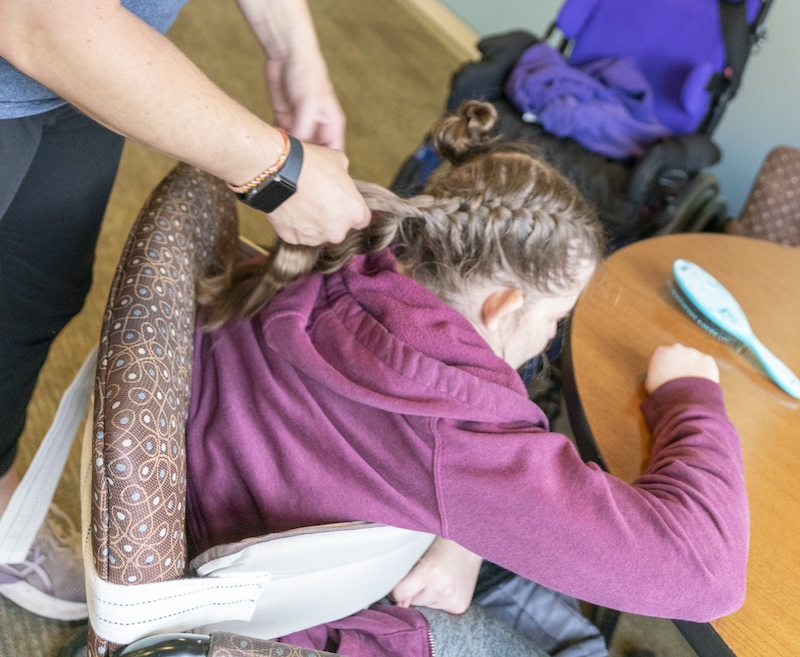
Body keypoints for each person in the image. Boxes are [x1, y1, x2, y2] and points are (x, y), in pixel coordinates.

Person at [185, 101, 749, 657]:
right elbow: (703, 577)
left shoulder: (339, 264)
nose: (551, 341)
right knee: (581, 643)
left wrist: (457, 533)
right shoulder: (452, 427)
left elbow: (425, 454)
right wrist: (690, 398)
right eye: (555, 320)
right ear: (503, 308)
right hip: (295, 628)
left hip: (229, 538)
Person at [0, 0, 370, 620]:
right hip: (49, 35)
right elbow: (45, 18)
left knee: (25, 307)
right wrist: (274, 172)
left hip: (86, 65)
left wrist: (291, 48)